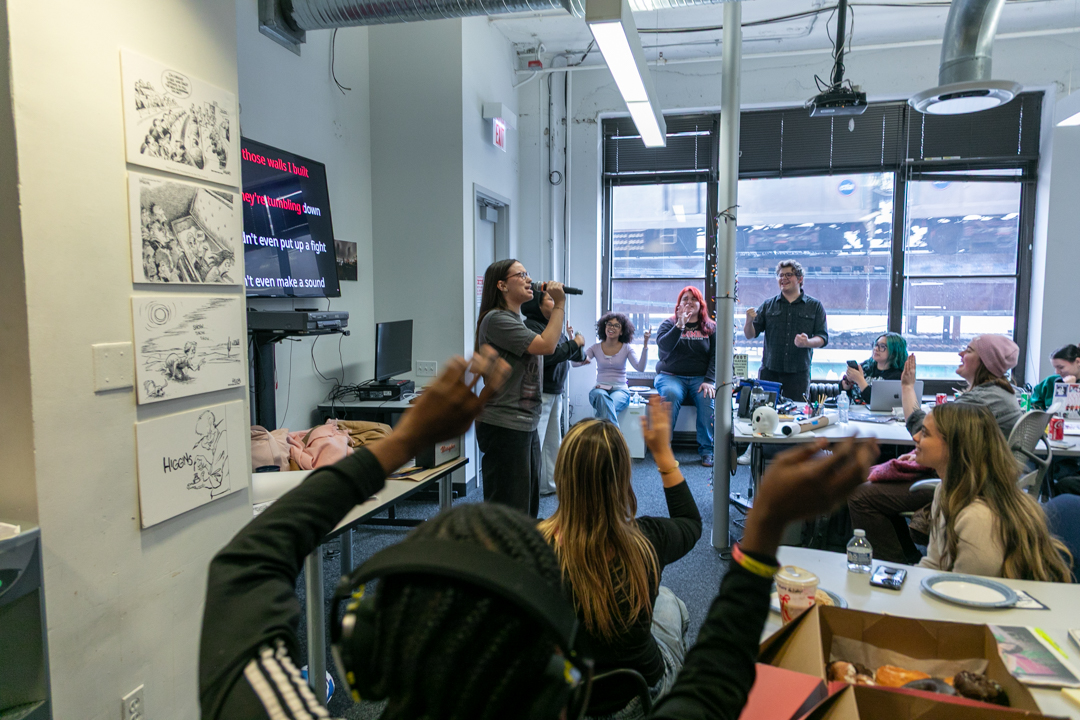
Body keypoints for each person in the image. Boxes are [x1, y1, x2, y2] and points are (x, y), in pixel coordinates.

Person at [198, 342, 880, 719]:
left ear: (367, 646)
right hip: (635, 678)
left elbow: (244, 563)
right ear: (557, 675)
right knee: (667, 605)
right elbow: (717, 679)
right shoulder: (643, 540)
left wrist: (403, 439)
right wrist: (759, 532)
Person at [537, 398, 700, 717]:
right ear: (623, 477)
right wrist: (663, 453)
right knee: (669, 602)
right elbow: (691, 523)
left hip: (567, 702)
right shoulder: (646, 540)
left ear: (563, 474)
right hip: (639, 696)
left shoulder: (533, 545)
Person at [848, 334, 1024, 563]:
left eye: (968, 351)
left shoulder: (983, 400)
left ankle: (893, 565)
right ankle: (906, 557)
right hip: (971, 475)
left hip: (966, 482)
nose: (960, 354)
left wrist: (908, 387)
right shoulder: (995, 394)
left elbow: (923, 431)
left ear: (985, 362)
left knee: (859, 494)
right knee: (871, 485)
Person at [911, 403, 1072, 581]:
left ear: (955, 447)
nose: (915, 437)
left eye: (925, 433)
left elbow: (968, 594)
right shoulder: (946, 490)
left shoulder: (977, 517)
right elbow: (935, 564)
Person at [475, 259, 566, 518]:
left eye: (528, 274)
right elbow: (547, 346)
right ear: (502, 285)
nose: (529, 279)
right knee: (509, 511)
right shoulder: (496, 320)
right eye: (521, 274)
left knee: (526, 507)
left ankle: (521, 558)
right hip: (504, 425)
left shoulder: (516, 320)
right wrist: (559, 304)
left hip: (523, 423)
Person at [521, 290, 586, 495]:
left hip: (555, 390)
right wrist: (574, 343)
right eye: (550, 299)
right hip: (541, 391)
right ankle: (528, 488)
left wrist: (573, 341)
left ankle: (548, 484)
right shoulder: (531, 327)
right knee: (536, 442)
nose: (556, 302)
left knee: (552, 441)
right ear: (537, 306)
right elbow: (548, 357)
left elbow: (577, 357)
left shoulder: (551, 327)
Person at [743, 260, 829, 404]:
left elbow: (823, 338)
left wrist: (807, 342)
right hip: (770, 373)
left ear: (800, 279)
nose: (783, 278)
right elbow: (750, 334)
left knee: (796, 416)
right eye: (780, 275)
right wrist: (748, 321)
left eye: (788, 275)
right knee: (765, 412)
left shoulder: (814, 306)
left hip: (798, 375)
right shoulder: (768, 305)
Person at [654, 286, 717, 466]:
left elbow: (716, 356)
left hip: (700, 378)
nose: (689, 302)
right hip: (670, 375)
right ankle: (664, 449)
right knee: (671, 394)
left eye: (693, 299)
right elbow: (664, 347)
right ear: (679, 304)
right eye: (685, 299)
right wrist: (680, 325)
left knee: (707, 398)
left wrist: (709, 381)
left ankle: (707, 451)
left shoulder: (710, 327)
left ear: (700, 304)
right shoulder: (668, 323)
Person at [578, 312, 650, 430]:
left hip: (621, 391)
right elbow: (575, 363)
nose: (611, 327)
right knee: (601, 396)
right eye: (609, 324)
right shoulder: (595, 348)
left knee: (607, 407)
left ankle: (600, 431)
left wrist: (645, 345)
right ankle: (616, 439)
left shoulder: (626, 348)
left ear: (622, 331)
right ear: (604, 327)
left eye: (616, 326)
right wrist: (575, 345)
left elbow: (640, 368)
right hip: (599, 389)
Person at [840, 332, 907, 406]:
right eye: (876, 345)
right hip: (852, 411)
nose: (876, 349)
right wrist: (846, 384)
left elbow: (878, 403)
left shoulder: (897, 376)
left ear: (894, 352)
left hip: (876, 416)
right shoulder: (866, 366)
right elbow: (843, 394)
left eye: (882, 346)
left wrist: (860, 380)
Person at [1031, 344, 1080, 410]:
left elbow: (1074, 413)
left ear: (1078, 362)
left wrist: (1072, 389)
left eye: (1061, 367)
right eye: (1055, 368)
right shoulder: (1048, 383)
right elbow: (1034, 409)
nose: (1057, 372)